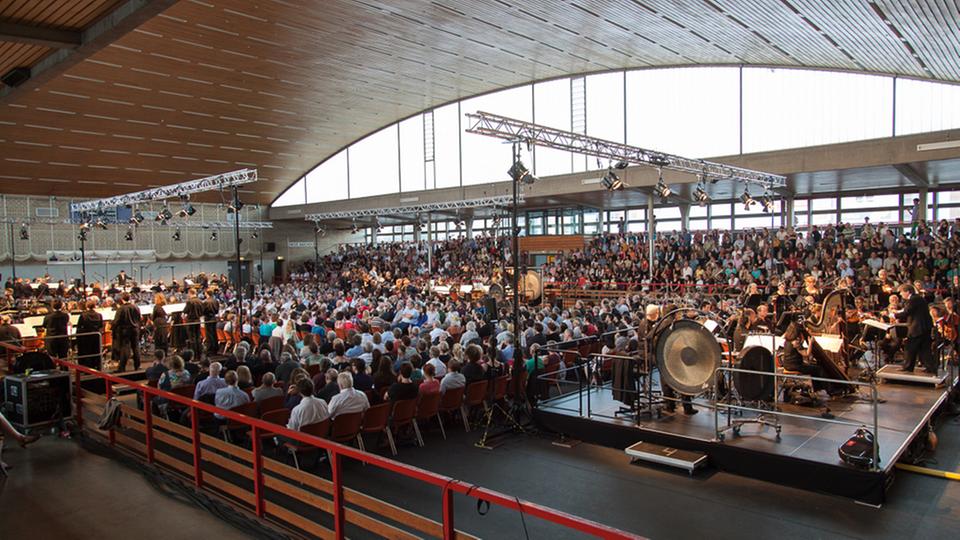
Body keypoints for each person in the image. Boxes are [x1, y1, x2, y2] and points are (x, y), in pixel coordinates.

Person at [896, 284, 935, 373]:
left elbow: (907, 312)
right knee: (924, 349)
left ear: (907, 292)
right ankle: (931, 367)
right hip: (924, 327)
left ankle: (908, 367)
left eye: (901, 292)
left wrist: (894, 315)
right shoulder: (917, 298)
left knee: (910, 347)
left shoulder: (913, 299)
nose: (901, 294)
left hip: (918, 328)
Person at [112, 293, 142, 372]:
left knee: (125, 349)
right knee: (136, 347)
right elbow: (139, 318)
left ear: (122, 299)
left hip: (125, 331)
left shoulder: (121, 309)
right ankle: (137, 366)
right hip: (135, 329)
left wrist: (113, 328)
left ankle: (122, 368)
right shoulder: (136, 307)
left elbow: (116, 321)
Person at [75, 299, 104, 369]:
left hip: (86, 337)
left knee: (87, 352)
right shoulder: (99, 315)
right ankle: (97, 366)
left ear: (86, 306)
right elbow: (101, 326)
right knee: (96, 352)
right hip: (96, 336)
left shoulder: (83, 315)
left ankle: (88, 367)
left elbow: (79, 327)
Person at [183, 288, 205, 358]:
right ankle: (199, 353)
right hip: (198, 320)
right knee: (198, 337)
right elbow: (202, 311)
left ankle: (194, 354)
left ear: (190, 293)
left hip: (191, 321)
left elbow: (185, 311)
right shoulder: (200, 301)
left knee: (192, 338)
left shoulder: (189, 302)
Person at [203, 288, 220, 355]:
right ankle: (215, 348)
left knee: (209, 335)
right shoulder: (215, 301)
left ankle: (210, 349)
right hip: (213, 318)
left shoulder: (206, 302)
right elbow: (217, 310)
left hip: (208, 319)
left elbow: (203, 311)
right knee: (214, 333)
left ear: (207, 293)